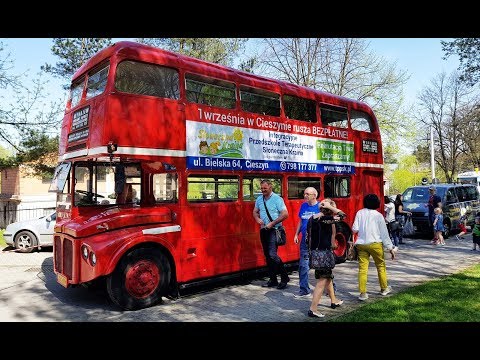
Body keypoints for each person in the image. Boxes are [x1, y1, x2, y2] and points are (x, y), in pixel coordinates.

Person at [293, 189, 345, 301]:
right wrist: (297, 234)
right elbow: (301, 221)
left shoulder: (321, 207)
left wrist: (332, 240)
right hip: (307, 241)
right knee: (304, 266)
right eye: (304, 193)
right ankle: (304, 290)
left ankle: (331, 293)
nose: (305, 195)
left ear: (315, 195)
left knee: (324, 270)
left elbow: (333, 225)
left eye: (307, 194)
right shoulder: (304, 206)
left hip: (320, 244)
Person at [352, 193, 396, 301]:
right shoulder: (378, 215)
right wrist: (390, 248)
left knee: (362, 269)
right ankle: (384, 288)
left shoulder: (359, 213)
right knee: (380, 266)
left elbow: (354, 229)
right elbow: (384, 234)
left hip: (361, 244)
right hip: (376, 244)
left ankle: (363, 293)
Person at [306, 199, 343, 318]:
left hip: (315, 254)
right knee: (322, 281)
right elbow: (343, 215)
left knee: (328, 277)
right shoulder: (326, 220)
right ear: (329, 210)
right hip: (324, 254)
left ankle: (333, 300)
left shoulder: (313, 218)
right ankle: (313, 309)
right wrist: (331, 207)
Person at [253, 179, 290, 289]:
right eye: (262, 188)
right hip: (263, 230)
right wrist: (257, 219)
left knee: (272, 255)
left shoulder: (277, 199)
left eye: (265, 188)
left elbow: (285, 214)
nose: (263, 190)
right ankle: (273, 279)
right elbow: (255, 211)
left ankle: (284, 277)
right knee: (267, 256)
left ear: (270, 187)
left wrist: (272, 223)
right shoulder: (259, 199)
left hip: (274, 229)